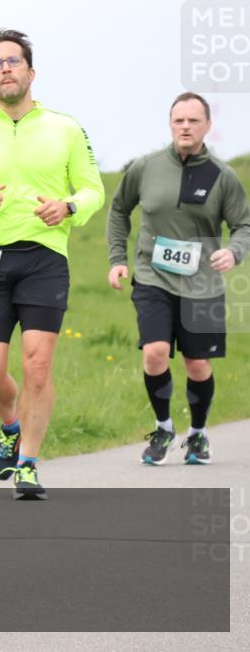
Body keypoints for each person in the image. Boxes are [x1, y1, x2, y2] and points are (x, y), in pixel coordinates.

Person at [0, 29, 105, 500]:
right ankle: (10, 426)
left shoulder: (65, 128)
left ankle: (28, 462)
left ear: (31, 71)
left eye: (13, 61)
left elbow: (93, 188)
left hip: (45, 257)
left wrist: (69, 208)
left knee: (37, 365)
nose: (5, 68)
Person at [107, 92, 250, 466]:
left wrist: (233, 251)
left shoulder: (223, 176)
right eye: (178, 120)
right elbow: (119, 210)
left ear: (207, 125)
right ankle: (164, 427)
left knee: (197, 365)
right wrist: (117, 259)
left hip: (202, 284)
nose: (185, 127)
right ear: (170, 124)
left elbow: (243, 225)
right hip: (153, 278)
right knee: (154, 353)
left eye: (193, 120)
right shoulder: (146, 167)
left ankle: (198, 435)